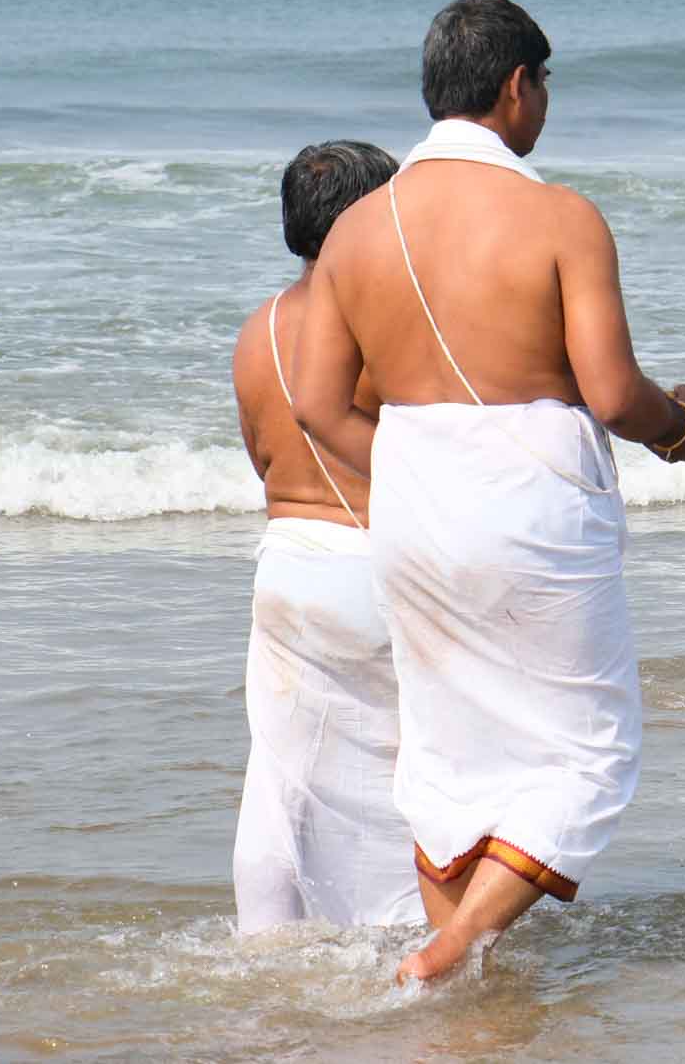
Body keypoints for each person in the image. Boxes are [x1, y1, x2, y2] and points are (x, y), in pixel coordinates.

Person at [293, 0, 685, 982]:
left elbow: (317, 404)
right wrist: (681, 426)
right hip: (533, 503)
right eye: (545, 83)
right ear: (517, 87)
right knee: (589, 749)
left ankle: (454, 988)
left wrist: (416, 472)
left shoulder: (354, 232)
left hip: (410, 499)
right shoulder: (560, 217)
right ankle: (454, 947)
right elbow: (612, 392)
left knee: (449, 750)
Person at [228, 139, 421, 935]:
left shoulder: (258, 330)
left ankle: (267, 937)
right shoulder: (386, 326)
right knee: (412, 767)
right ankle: (408, 933)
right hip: (374, 567)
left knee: (280, 780)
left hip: (287, 567)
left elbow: (264, 458)